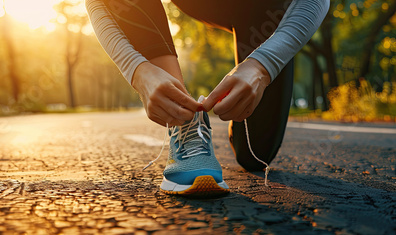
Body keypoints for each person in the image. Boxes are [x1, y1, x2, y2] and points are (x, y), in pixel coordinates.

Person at [86, 0, 329, 196]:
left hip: (266, 8)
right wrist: (138, 70)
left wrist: (263, 67)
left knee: (256, 154)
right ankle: (183, 120)